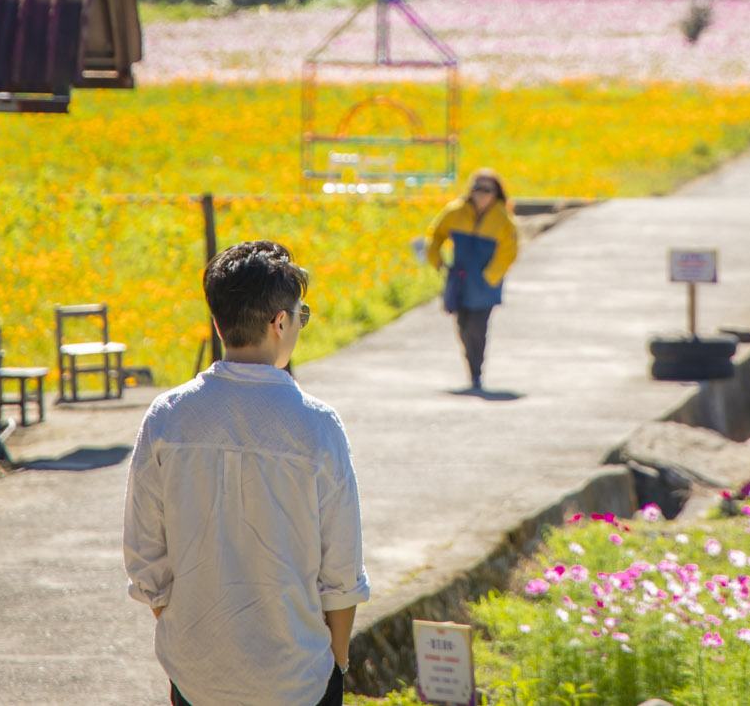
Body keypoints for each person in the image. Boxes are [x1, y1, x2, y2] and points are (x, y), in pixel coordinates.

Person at [124, 240, 369, 706]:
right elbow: (341, 571)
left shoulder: (167, 417)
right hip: (297, 676)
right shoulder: (317, 426)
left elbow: (145, 557)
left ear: (218, 323)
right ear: (281, 322)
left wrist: (192, 639)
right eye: (301, 315)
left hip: (196, 676)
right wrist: (336, 660)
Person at [426, 168, 520, 391]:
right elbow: (436, 235)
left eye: (487, 189)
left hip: (485, 285)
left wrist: (490, 276)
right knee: (462, 326)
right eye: (477, 188)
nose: (481, 194)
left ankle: (476, 373)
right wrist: (438, 262)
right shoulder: (455, 212)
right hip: (459, 281)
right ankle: (473, 369)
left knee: (477, 328)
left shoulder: (503, 220)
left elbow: (510, 251)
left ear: (496, 193)